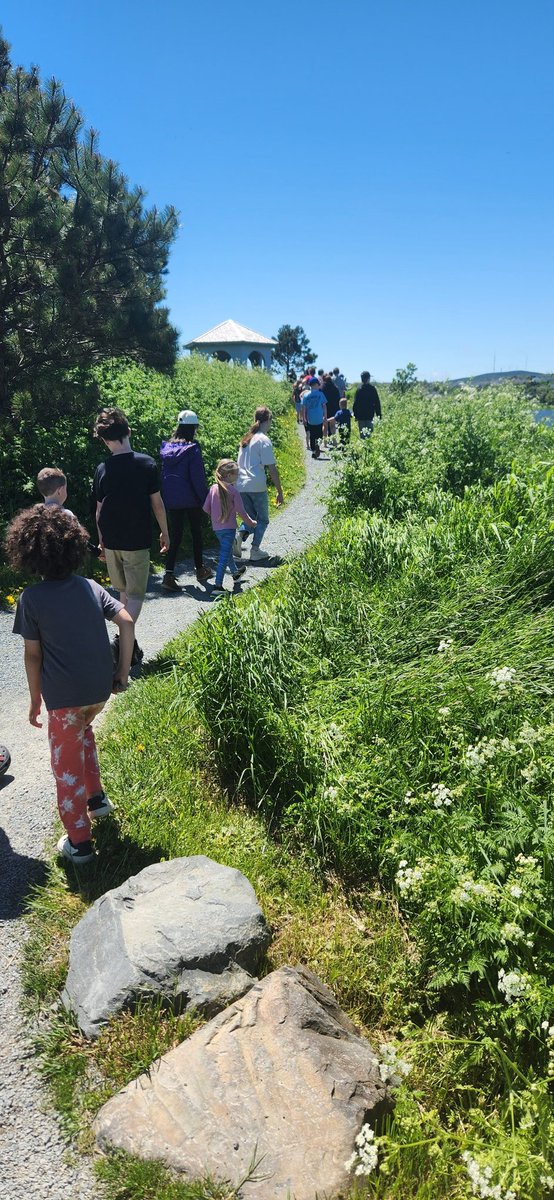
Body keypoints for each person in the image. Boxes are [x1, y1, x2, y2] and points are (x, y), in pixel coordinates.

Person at [6, 505, 135, 864]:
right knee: (85, 733)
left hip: (64, 700)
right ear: (75, 547)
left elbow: (33, 657)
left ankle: (80, 844)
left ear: (29, 555)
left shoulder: (31, 599)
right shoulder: (91, 586)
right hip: (98, 692)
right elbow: (126, 622)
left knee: (65, 767)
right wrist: (121, 672)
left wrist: (35, 700)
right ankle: (97, 800)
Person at [93, 407, 169, 667]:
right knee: (134, 597)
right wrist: (165, 532)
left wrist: (101, 540)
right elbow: (157, 504)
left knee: (123, 593)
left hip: (112, 540)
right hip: (136, 540)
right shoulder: (146, 463)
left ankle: (130, 650)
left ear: (104, 440)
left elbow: (99, 509)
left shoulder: (102, 468)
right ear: (128, 431)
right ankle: (119, 642)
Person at [159, 409, 212, 591]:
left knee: (176, 535)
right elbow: (197, 477)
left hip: (172, 499)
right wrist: (206, 500)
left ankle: (168, 574)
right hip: (191, 498)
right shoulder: (192, 449)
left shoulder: (166, 449)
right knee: (196, 531)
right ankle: (200, 569)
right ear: (193, 428)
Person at [235, 406, 284, 562]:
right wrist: (279, 491)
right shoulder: (263, 440)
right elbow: (272, 468)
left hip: (241, 484)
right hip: (256, 484)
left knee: (248, 517)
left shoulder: (246, 439)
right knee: (262, 519)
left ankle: (239, 537)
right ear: (268, 420)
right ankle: (255, 550)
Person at [202, 460, 256, 593]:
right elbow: (241, 512)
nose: (237, 477)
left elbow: (205, 508)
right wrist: (251, 523)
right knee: (224, 557)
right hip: (229, 529)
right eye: (236, 474)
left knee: (227, 553)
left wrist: (215, 517)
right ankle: (218, 586)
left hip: (217, 529)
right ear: (229, 475)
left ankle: (235, 573)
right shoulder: (233, 491)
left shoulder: (213, 488)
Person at [301, 377, 327, 458]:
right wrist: (325, 416)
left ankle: (313, 450)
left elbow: (304, 408)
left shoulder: (306, 395)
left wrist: (304, 418)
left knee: (312, 435)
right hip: (319, 418)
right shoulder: (321, 394)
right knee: (319, 433)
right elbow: (324, 406)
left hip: (310, 419)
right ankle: (317, 446)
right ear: (316, 385)